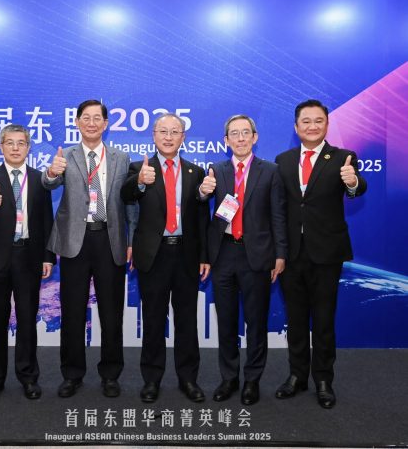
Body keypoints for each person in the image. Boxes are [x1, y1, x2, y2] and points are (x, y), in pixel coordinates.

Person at [274, 99, 367, 409]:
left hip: (326, 253)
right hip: (291, 254)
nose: (312, 126)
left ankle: (324, 380)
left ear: (327, 124)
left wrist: (352, 183)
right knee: (296, 318)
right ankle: (297, 375)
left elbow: (357, 186)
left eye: (318, 121)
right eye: (306, 121)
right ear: (296, 127)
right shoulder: (283, 160)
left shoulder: (342, 157)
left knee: (324, 319)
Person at [42, 99, 136, 399]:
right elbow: (47, 184)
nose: (92, 123)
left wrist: (131, 240)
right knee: (72, 312)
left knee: (111, 312)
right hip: (75, 242)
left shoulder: (121, 158)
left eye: (97, 118)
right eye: (86, 117)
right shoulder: (65, 156)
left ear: (106, 124)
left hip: (110, 240)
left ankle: (110, 374)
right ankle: (72, 374)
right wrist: (52, 172)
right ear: (77, 122)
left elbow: (129, 202)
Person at [121, 113, 210, 403]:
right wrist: (139, 182)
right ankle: (151, 379)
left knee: (187, 320)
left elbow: (202, 218)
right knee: (153, 319)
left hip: (186, 254)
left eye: (175, 132)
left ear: (183, 137)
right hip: (153, 254)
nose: (168, 137)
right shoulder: (140, 167)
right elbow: (125, 195)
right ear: (154, 136)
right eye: (163, 131)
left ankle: (188, 379)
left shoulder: (196, 172)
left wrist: (205, 255)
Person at [199, 115, 287, 405]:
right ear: (226, 140)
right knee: (226, 321)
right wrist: (202, 193)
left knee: (256, 321)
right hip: (224, 254)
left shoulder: (271, 171)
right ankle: (229, 378)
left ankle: (252, 380)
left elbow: (278, 215)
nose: (240, 138)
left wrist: (280, 254)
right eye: (234, 134)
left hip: (257, 256)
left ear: (255, 137)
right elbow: (204, 209)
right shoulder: (217, 170)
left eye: (245, 133)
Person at [0, 124, 55, 403]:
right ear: (1, 146)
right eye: (10, 142)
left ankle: (28, 378)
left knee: (27, 320)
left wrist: (47, 256)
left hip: (29, 257)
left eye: (21, 143)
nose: (16, 148)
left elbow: (46, 220)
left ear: (28, 147)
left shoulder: (40, 179)